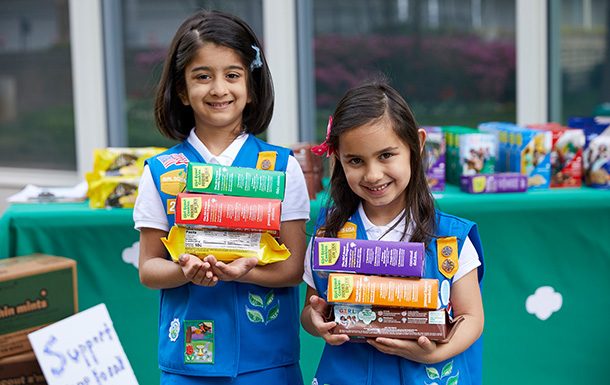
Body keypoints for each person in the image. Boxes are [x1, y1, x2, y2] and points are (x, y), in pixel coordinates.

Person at [133, 10, 309, 385]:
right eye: (202, 76)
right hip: (188, 366)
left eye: (232, 75)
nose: (218, 89)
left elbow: (293, 269)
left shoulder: (281, 168)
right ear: (182, 90)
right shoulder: (161, 172)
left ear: (251, 86)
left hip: (267, 363)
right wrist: (184, 272)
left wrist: (244, 273)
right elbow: (149, 268)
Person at [301, 80, 485, 385]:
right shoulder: (328, 237)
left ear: (417, 144)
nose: (373, 175)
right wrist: (316, 320)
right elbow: (311, 311)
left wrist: (434, 354)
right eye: (356, 161)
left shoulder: (450, 238)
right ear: (338, 159)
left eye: (386, 155)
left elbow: (472, 317)